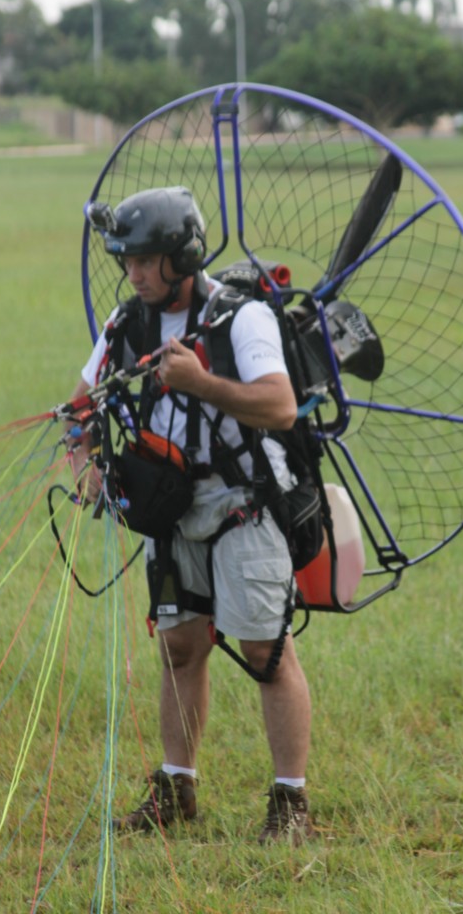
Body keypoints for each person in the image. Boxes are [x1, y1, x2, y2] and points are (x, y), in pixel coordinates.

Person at [68, 186, 315, 844]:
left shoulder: (241, 318)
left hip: (243, 500)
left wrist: (201, 383)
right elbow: (79, 408)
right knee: (179, 647)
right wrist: (85, 461)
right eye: (127, 261)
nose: (136, 274)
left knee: (264, 650)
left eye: (147, 261)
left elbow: (281, 407)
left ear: (183, 256)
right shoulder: (126, 325)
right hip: (169, 510)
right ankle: (177, 789)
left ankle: (290, 803)